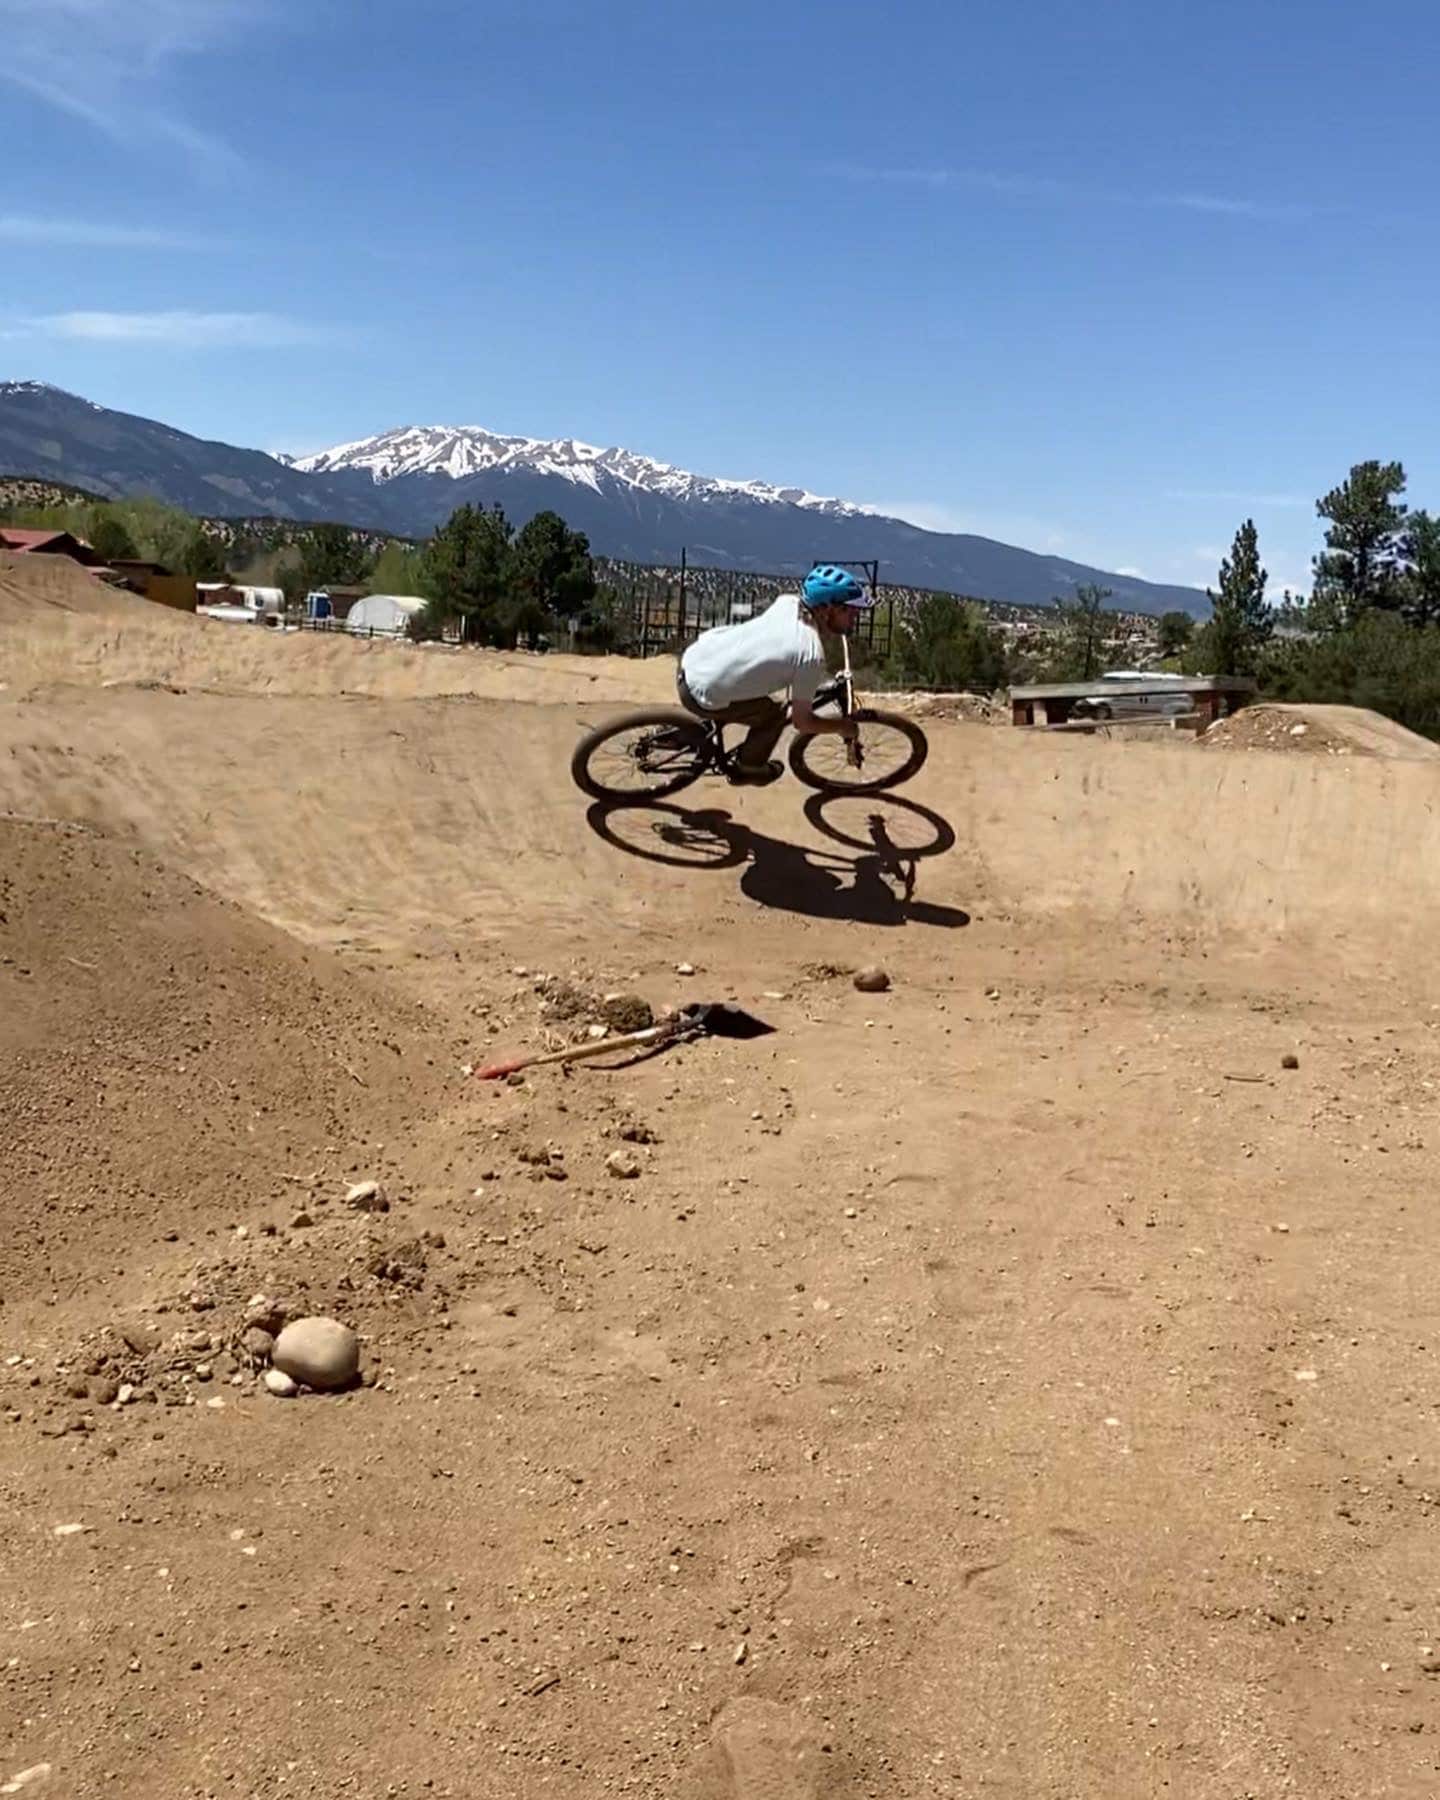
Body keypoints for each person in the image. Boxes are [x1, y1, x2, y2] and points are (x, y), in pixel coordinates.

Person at [676, 565, 875, 785]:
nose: (855, 616)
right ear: (826, 608)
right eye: (848, 610)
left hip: (694, 660)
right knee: (776, 714)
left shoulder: (788, 603)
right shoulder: (810, 656)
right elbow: (803, 722)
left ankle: (675, 734)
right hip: (701, 692)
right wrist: (841, 726)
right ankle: (748, 768)